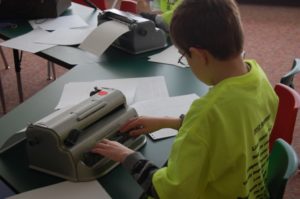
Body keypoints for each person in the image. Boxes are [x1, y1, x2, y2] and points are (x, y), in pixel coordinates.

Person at [91, 0, 279, 198]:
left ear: (199, 55)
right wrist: (170, 122)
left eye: (184, 57)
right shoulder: (258, 78)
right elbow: (230, 130)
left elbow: (170, 192)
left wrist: (127, 156)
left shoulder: (208, 113)